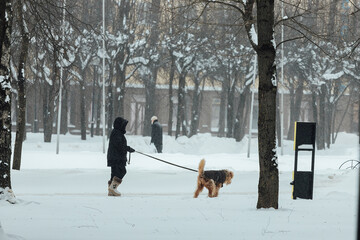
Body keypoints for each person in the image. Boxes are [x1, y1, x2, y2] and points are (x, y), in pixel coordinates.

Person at [107, 117, 135, 196]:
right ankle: (113, 188)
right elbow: (120, 146)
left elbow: (120, 145)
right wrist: (128, 148)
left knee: (114, 174)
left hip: (115, 157)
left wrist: (127, 148)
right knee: (121, 171)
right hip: (117, 158)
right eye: (123, 125)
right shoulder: (117, 133)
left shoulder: (116, 132)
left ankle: (111, 190)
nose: (124, 127)